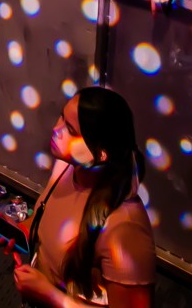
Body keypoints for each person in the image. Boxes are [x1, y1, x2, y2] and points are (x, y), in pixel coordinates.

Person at [9, 87, 156, 308]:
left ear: (101, 154)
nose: (56, 129)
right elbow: (54, 223)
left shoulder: (125, 230)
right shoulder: (66, 167)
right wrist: (21, 230)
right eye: (61, 116)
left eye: (70, 129)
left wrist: (50, 296)